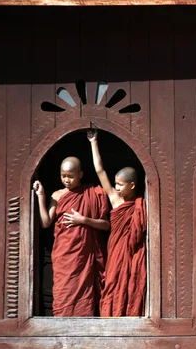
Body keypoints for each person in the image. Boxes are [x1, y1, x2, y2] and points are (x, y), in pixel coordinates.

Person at [33, 157, 110, 317]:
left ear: (80, 174)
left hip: (84, 256)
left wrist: (83, 220)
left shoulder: (93, 193)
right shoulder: (58, 195)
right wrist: (41, 196)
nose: (66, 180)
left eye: (70, 176)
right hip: (65, 255)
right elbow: (46, 222)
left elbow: (106, 225)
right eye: (63, 176)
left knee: (85, 297)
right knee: (63, 293)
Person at [88, 128, 147, 317]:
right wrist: (93, 142)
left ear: (132, 185)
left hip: (133, 251)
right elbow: (100, 170)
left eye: (120, 184)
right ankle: (109, 316)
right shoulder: (115, 198)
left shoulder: (141, 204)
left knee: (131, 282)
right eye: (115, 183)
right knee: (113, 282)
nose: (116, 187)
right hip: (116, 249)